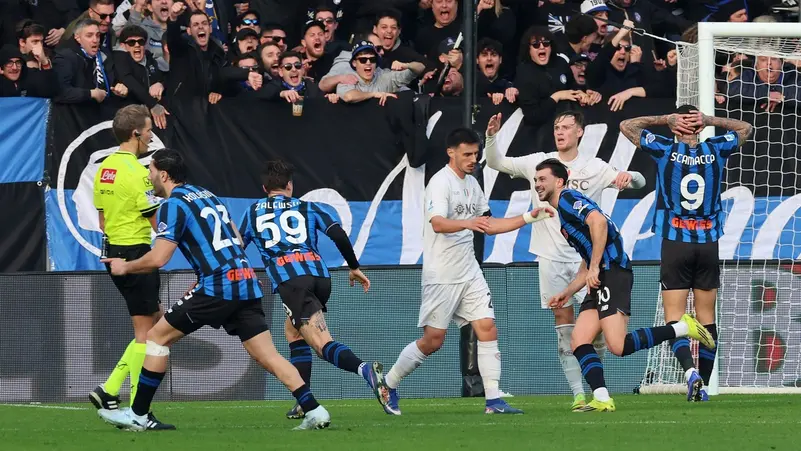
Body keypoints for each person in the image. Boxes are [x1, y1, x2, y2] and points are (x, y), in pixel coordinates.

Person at [98, 149, 331, 431]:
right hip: (244, 282)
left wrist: (125, 266)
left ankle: (138, 415)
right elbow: (236, 238)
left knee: (156, 337)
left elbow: (159, 258)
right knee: (268, 355)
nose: (149, 177)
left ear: (164, 175)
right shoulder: (207, 195)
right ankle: (314, 409)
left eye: (151, 171)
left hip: (218, 285)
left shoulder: (173, 205)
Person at [381, 128, 552, 416]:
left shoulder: (472, 183)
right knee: (433, 340)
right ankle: (388, 383)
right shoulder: (440, 182)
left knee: (487, 327)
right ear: (451, 152)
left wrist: (528, 217)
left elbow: (488, 225)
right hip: (442, 273)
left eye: (476, 153)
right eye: (467, 154)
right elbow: (437, 223)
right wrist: (467, 223)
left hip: (469, 270)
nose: (473, 159)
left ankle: (493, 400)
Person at [486, 110, 644, 410]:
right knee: (565, 327)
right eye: (557, 126)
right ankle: (578, 395)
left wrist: (630, 176)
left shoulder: (595, 167)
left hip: (589, 259)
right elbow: (496, 163)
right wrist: (491, 137)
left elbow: (639, 182)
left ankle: (599, 390)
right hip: (552, 257)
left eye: (567, 127)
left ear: (580, 132)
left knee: (600, 335)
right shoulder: (540, 163)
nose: (560, 131)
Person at [534, 158, 716, 412]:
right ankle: (602, 398)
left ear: (559, 181)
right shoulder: (564, 211)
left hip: (612, 273)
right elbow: (588, 256)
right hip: (601, 275)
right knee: (579, 339)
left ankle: (682, 327)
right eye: (535, 180)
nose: (537, 184)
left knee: (617, 346)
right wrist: (567, 292)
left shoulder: (567, 198)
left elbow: (598, 222)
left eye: (542, 179)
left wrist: (595, 267)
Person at [620, 106, 753, 401]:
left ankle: (690, 372)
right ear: (700, 127)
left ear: (675, 127)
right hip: (708, 244)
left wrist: (662, 119)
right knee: (707, 318)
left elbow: (627, 125)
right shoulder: (716, 149)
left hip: (675, 242)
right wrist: (711, 120)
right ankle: (702, 387)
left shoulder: (664, 149)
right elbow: (746, 128)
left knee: (675, 318)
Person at [239, 160, 389, 420]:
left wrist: (243, 276)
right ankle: (303, 402)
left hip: (291, 281)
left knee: (321, 344)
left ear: (264, 188)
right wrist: (354, 267)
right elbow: (338, 234)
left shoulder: (253, 212)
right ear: (289, 185)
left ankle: (364, 370)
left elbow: (237, 248)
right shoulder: (308, 207)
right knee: (293, 332)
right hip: (320, 277)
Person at [89, 105, 172, 430]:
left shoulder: (104, 168)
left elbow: (102, 219)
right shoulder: (137, 173)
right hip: (135, 255)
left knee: (156, 324)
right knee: (147, 335)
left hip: (113, 253)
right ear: (135, 133)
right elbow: (155, 221)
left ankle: (109, 390)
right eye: (148, 130)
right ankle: (139, 411)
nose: (151, 135)